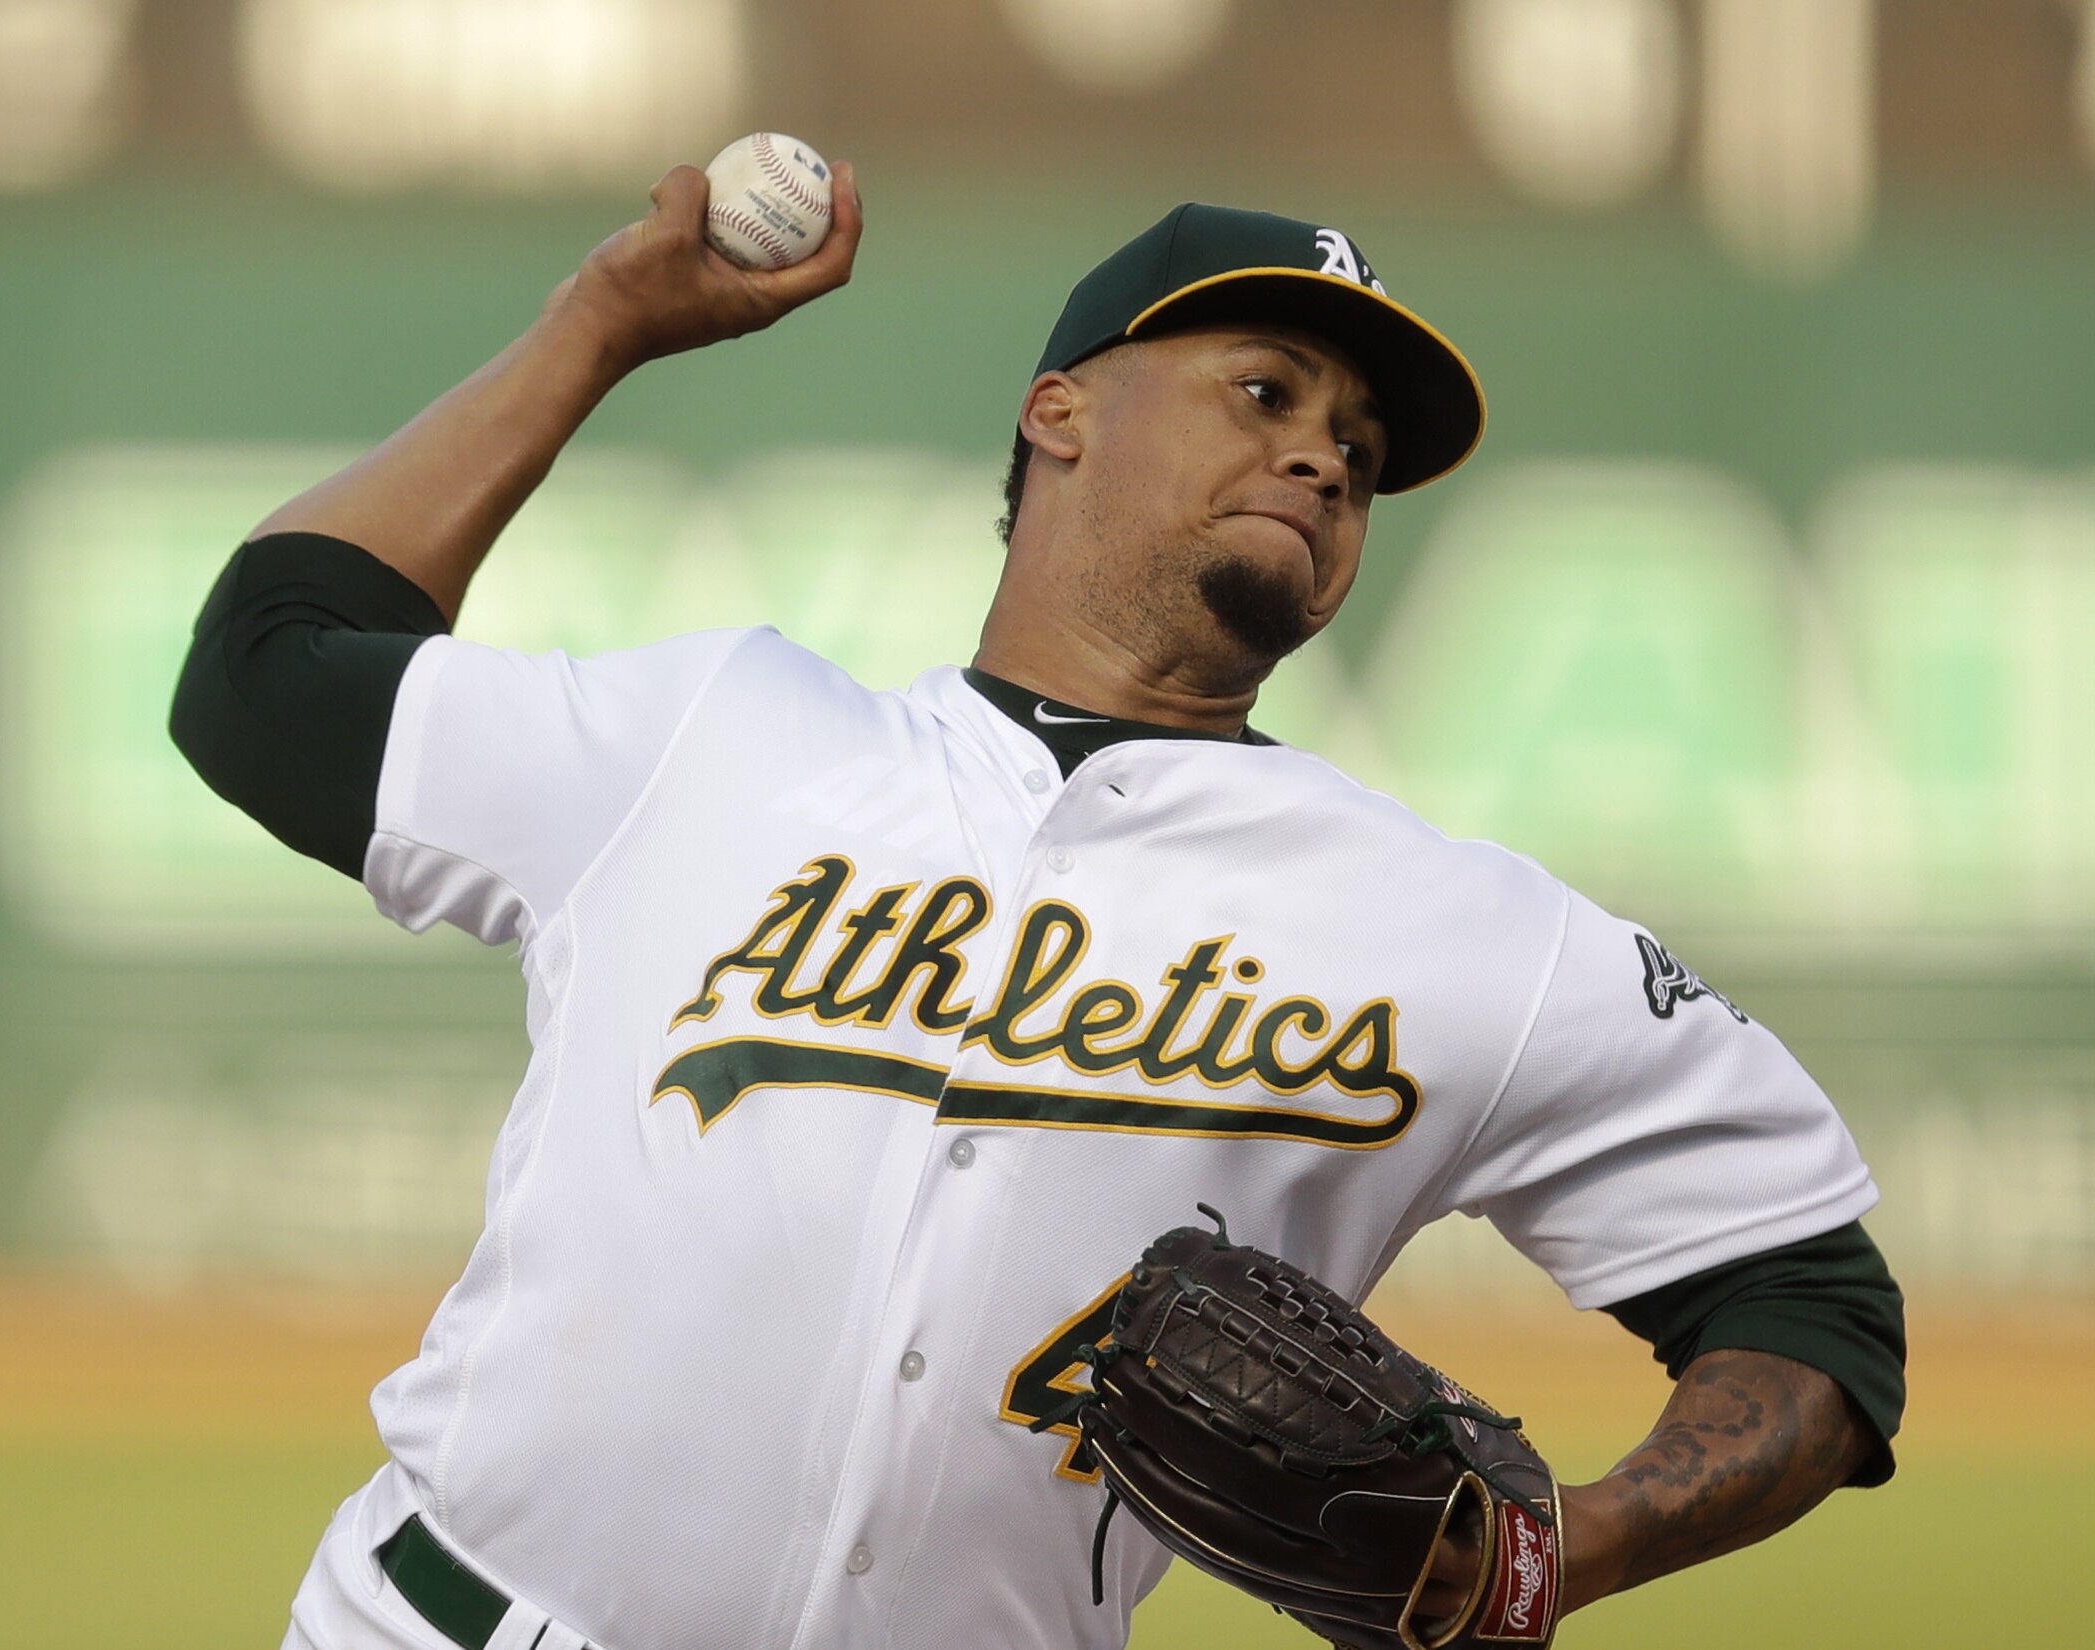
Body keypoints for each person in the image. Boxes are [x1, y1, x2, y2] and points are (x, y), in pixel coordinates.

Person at [171, 159, 1904, 1650]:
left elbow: (1814, 1302)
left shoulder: (1459, 934)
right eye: (1267, 390)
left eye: (1360, 448)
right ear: (1058, 405)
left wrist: (1558, 1553)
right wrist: (603, 325)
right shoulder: (710, 736)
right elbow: (265, 675)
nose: (1322, 458)